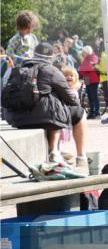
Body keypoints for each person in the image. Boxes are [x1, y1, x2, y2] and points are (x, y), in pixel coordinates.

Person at [2, 42, 89, 171]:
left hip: (15, 119)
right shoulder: (51, 70)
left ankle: (54, 151)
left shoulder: (15, 69)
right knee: (78, 113)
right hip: (43, 118)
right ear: (51, 57)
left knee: (49, 109)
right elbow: (70, 98)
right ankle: (81, 158)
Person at [78, 45, 101, 119]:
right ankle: (92, 112)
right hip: (87, 78)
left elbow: (89, 68)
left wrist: (84, 68)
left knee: (94, 97)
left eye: (83, 52)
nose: (82, 54)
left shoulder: (93, 57)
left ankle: (97, 112)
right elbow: (81, 69)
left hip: (93, 79)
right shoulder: (86, 58)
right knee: (90, 97)